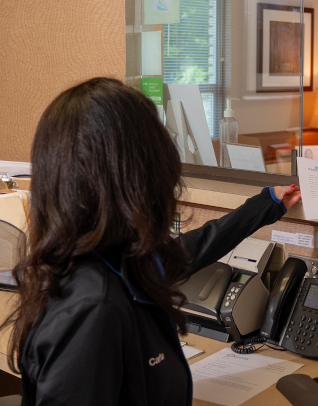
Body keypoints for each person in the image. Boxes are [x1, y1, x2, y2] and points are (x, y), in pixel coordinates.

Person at [0, 78, 301, 405]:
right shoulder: (94, 311)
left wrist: (269, 203)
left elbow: (193, 249)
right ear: (140, 175)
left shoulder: (116, 260)